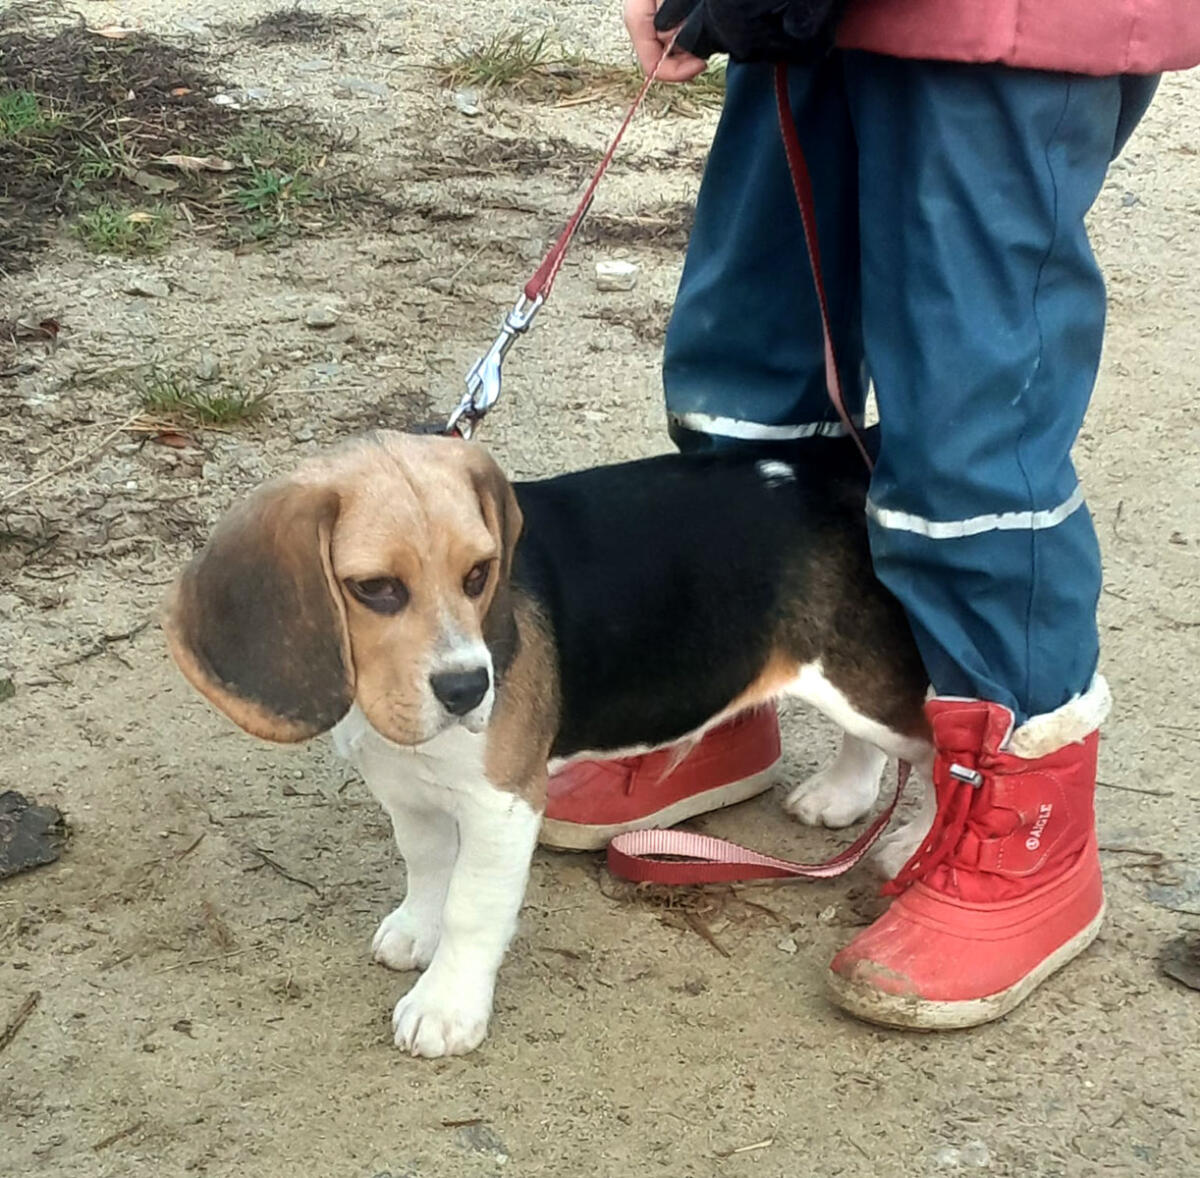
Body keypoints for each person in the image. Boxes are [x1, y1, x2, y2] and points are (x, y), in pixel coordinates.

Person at [541, 0, 1200, 1028]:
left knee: (969, 433)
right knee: (745, 376)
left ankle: (1026, 826)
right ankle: (716, 691)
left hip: (1007, 24)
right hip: (802, 17)